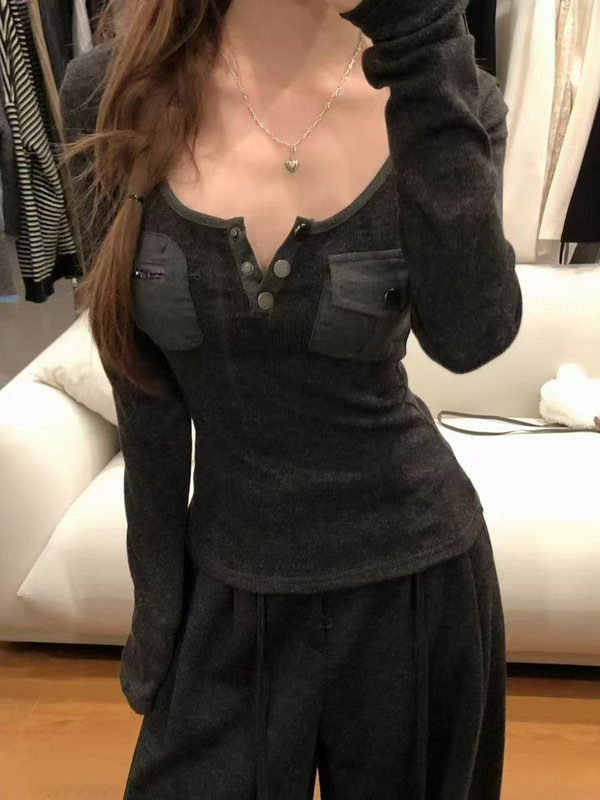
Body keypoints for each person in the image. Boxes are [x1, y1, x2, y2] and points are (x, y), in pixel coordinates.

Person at [59, 0, 522, 797]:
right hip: (227, 583)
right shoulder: (114, 91)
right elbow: (144, 394)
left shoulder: (446, 88)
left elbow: (471, 333)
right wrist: (159, 609)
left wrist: (423, 40)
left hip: (414, 587)